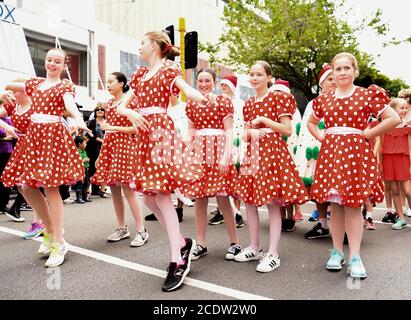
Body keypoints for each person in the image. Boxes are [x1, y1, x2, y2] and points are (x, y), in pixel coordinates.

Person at [117, 31, 210, 292]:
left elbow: (186, 90)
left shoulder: (169, 71)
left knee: (160, 196)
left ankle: (177, 259)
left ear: (156, 46)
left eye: (143, 42)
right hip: (145, 134)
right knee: (149, 198)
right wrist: (130, 114)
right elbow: (123, 106)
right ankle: (182, 243)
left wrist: (203, 97)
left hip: (160, 132)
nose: (139, 46)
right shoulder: (138, 75)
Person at [307, 52, 401, 279]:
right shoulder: (325, 99)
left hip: (355, 157)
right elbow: (311, 122)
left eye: (346, 68)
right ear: (333, 73)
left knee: (352, 206)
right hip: (331, 156)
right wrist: (321, 137)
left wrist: (369, 132)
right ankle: (337, 252)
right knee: (335, 206)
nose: (341, 73)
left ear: (354, 71)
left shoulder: (366, 95)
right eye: (337, 69)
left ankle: (356, 256)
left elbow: (393, 118)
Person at [1, 48, 91, 268]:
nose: (51, 63)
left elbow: (69, 104)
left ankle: (58, 242)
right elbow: (9, 84)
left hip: (51, 135)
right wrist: (4, 92)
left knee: (51, 189)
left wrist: (79, 118)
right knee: (25, 185)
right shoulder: (35, 84)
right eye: (49, 59)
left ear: (64, 66)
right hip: (34, 137)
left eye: (57, 61)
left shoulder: (64, 86)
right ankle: (50, 231)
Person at [233, 61, 309, 272]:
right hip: (253, 153)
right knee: (249, 200)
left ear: (269, 78)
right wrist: (252, 133)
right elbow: (245, 133)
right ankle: (255, 246)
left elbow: (287, 129)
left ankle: (273, 253)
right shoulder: (248, 104)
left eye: (259, 74)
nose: (254, 78)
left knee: (273, 203)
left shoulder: (278, 98)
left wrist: (265, 121)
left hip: (272, 153)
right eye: (251, 74)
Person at [180, 68, 241, 261]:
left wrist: (225, 157)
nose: (204, 84)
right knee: (200, 200)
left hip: (219, 150)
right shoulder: (191, 104)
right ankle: (201, 244)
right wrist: (184, 150)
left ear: (214, 82)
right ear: (196, 83)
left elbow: (230, 131)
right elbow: (191, 132)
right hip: (200, 153)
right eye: (200, 81)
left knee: (223, 200)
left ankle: (235, 243)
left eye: (207, 81)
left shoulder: (223, 101)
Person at [91, 72, 148, 247]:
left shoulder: (130, 102)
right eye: (107, 82)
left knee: (128, 190)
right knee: (114, 189)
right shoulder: (109, 104)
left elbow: (137, 129)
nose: (108, 85)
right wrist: (101, 154)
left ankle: (141, 230)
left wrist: (113, 128)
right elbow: (107, 131)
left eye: (111, 82)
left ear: (122, 83)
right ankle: (122, 228)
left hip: (125, 148)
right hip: (111, 148)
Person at [295, 64, 336, 239]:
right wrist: (305, 157)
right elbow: (305, 131)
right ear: (321, 83)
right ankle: (323, 224)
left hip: (336, 152)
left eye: (335, 78)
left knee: (337, 191)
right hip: (315, 152)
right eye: (329, 79)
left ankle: (342, 227)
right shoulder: (313, 103)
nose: (333, 82)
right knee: (317, 190)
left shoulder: (342, 99)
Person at [207, 75, 245, 228]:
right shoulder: (216, 100)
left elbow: (241, 124)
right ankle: (224, 211)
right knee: (221, 177)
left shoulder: (239, 103)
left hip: (236, 143)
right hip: (221, 143)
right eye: (221, 84)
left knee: (235, 178)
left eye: (226, 85)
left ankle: (236, 212)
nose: (223, 87)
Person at [381, 98, 411, 230]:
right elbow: (380, 144)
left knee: (408, 191)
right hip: (388, 159)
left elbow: (410, 148)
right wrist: (379, 163)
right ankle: (401, 218)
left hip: (403, 160)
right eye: (402, 108)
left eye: (406, 108)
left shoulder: (407, 127)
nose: (405, 110)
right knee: (394, 190)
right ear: (392, 109)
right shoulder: (384, 126)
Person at [86, 104, 107, 198]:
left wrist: (105, 142)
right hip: (93, 148)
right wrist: (100, 140)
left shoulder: (107, 122)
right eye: (98, 110)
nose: (100, 111)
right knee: (91, 169)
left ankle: (101, 190)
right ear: (95, 113)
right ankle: (86, 191)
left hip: (105, 148)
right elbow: (90, 134)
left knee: (103, 168)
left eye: (102, 110)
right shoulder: (91, 122)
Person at [73, 136, 91, 204]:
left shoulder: (84, 151)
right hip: (80, 170)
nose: (86, 144)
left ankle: (84, 196)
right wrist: (84, 160)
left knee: (87, 183)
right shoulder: (77, 151)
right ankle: (79, 197)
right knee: (80, 183)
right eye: (84, 143)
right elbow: (76, 161)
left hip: (86, 168)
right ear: (79, 144)